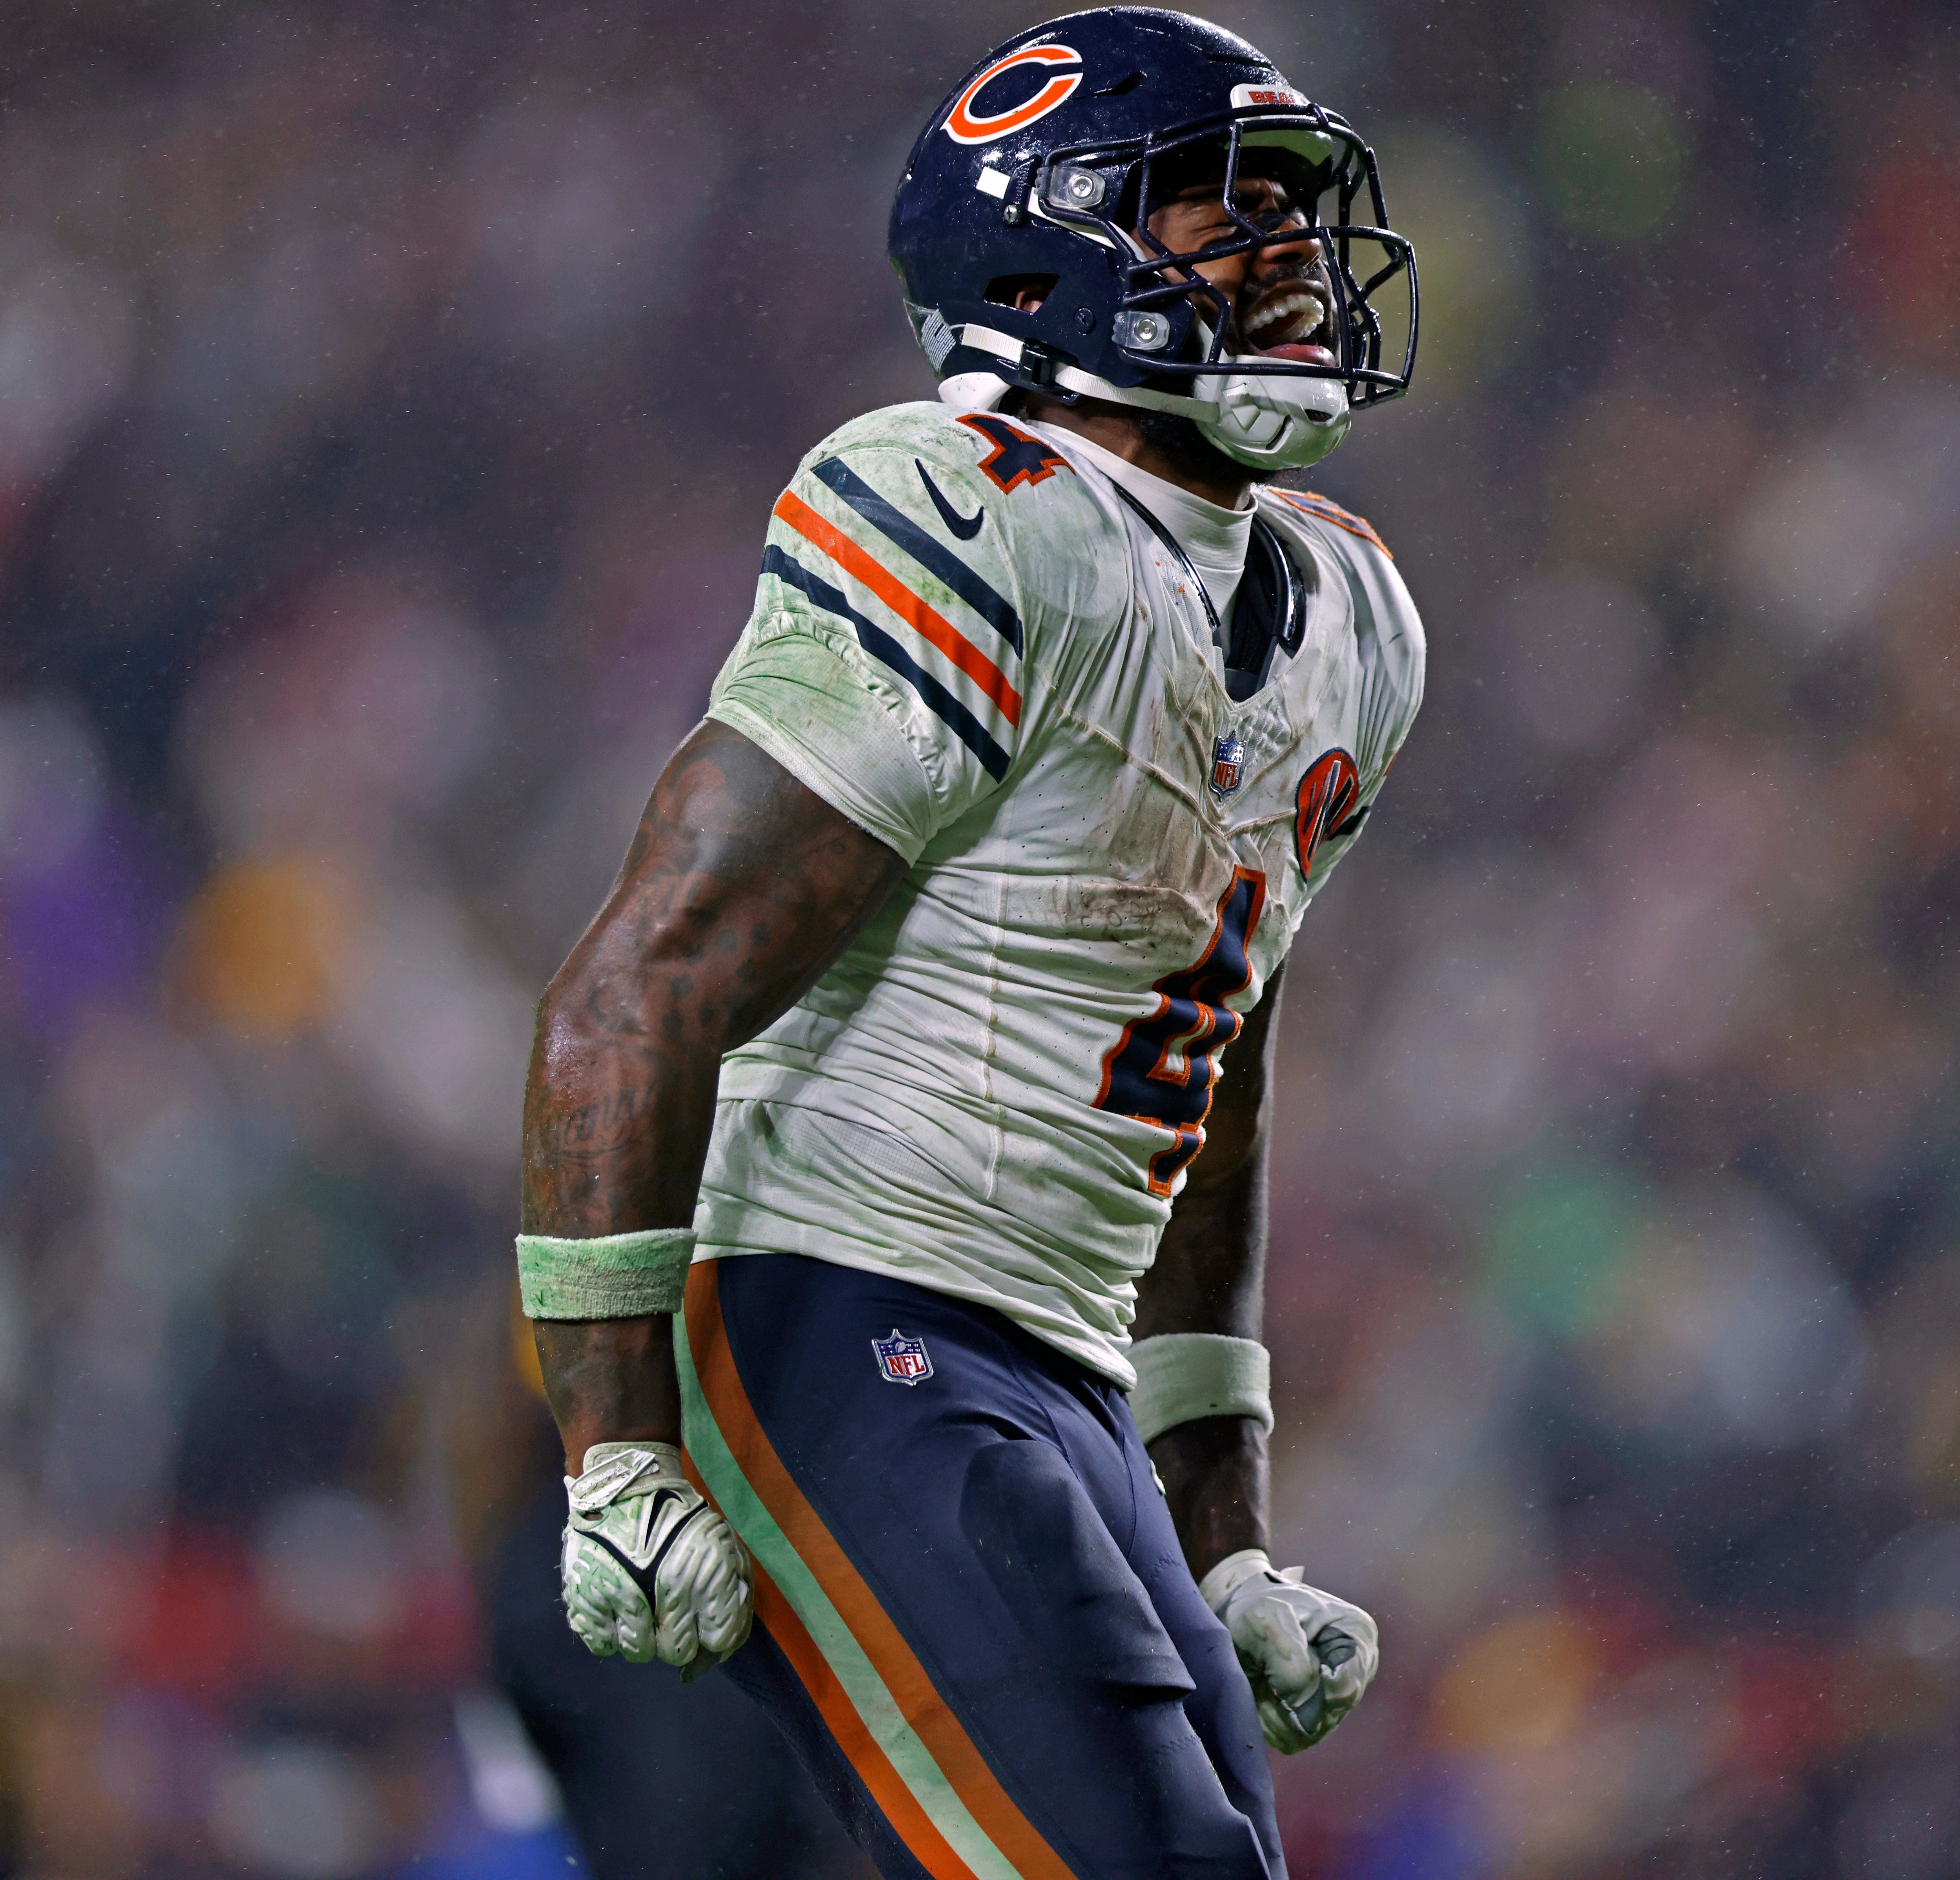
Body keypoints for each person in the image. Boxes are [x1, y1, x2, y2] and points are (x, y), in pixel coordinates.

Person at [513, 10, 1427, 1876]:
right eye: (1216, 213)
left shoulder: (1349, 613)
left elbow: (1204, 1060)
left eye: (1290, 214)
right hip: (822, 1306)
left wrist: (1224, 1521)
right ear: (1049, 247)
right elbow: (646, 977)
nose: (1285, 257)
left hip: (1057, 1369)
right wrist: (613, 1443)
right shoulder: (971, 510)